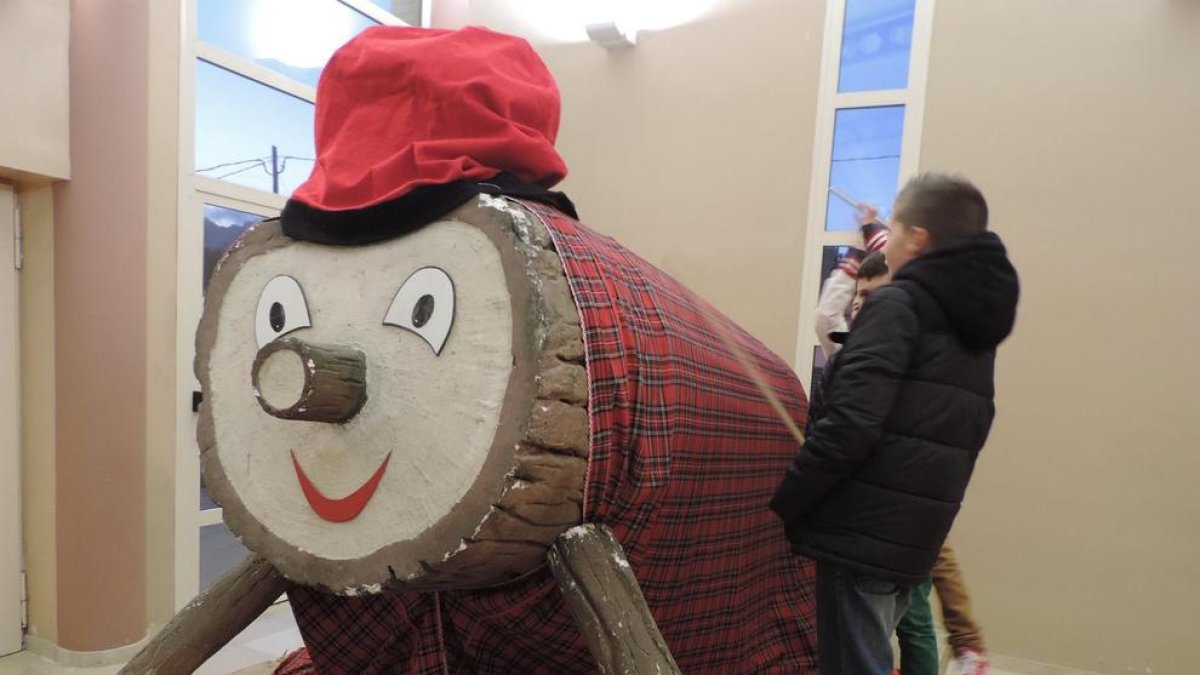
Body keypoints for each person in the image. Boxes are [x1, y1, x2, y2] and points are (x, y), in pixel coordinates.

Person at [772, 173, 1019, 675]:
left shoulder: (899, 305)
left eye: (895, 229)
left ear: (917, 239)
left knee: (856, 663)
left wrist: (790, 499)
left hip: (860, 531)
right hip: (913, 536)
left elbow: (850, 426)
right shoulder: (971, 333)